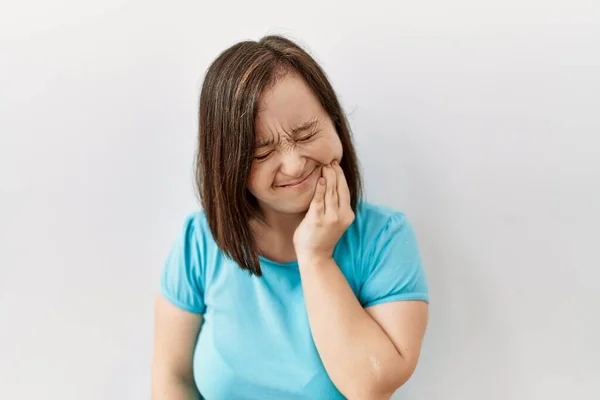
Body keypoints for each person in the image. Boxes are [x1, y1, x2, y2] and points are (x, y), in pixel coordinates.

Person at [151, 35, 429, 400]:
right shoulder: (199, 241)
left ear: (334, 122)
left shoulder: (384, 239)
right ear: (228, 162)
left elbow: (370, 385)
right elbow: (173, 380)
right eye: (263, 152)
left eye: (307, 133)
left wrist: (315, 256)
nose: (295, 164)